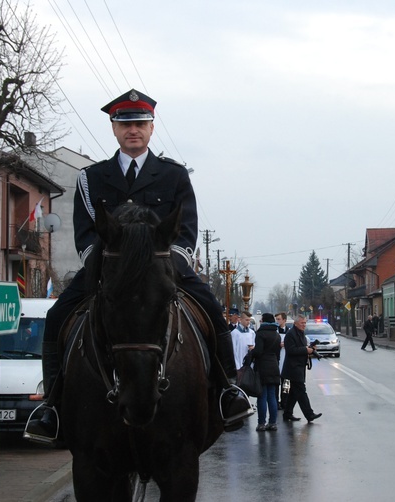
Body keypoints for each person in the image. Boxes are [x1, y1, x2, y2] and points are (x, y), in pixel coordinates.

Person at [24, 89, 252, 443]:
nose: (134, 130)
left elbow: (186, 229)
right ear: (114, 128)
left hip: (163, 269)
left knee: (210, 309)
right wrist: (102, 265)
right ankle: (51, 407)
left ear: (151, 127)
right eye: (125, 123)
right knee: (56, 318)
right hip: (107, 269)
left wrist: (164, 265)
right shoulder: (91, 178)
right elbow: (86, 234)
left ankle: (228, 391)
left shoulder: (174, 176)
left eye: (140, 123)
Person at [281, 315, 322, 423]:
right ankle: (309, 414)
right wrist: (305, 350)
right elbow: (291, 350)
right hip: (292, 368)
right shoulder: (290, 335)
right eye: (302, 323)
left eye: (305, 323)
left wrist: (310, 349)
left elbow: (302, 348)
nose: (304, 325)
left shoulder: (301, 334)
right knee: (301, 391)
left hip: (299, 367)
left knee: (294, 393)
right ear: (296, 323)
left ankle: (287, 413)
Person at [251, 313, 281, 431]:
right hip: (273, 366)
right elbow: (277, 354)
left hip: (262, 366)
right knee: (272, 396)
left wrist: (251, 352)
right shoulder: (276, 334)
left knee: (262, 396)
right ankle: (273, 423)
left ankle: (261, 423)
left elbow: (258, 351)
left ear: (263, 321)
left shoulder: (261, 333)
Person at [275, 312, 289, 407]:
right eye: (276, 319)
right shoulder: (274, 331)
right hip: (277, 360)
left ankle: (285, 402)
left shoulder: (289, 331)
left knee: (286, 384)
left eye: (279, 319)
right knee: (276, 383)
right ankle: (276, 402)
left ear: (284, 320)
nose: (277, 321)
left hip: (287, 361)